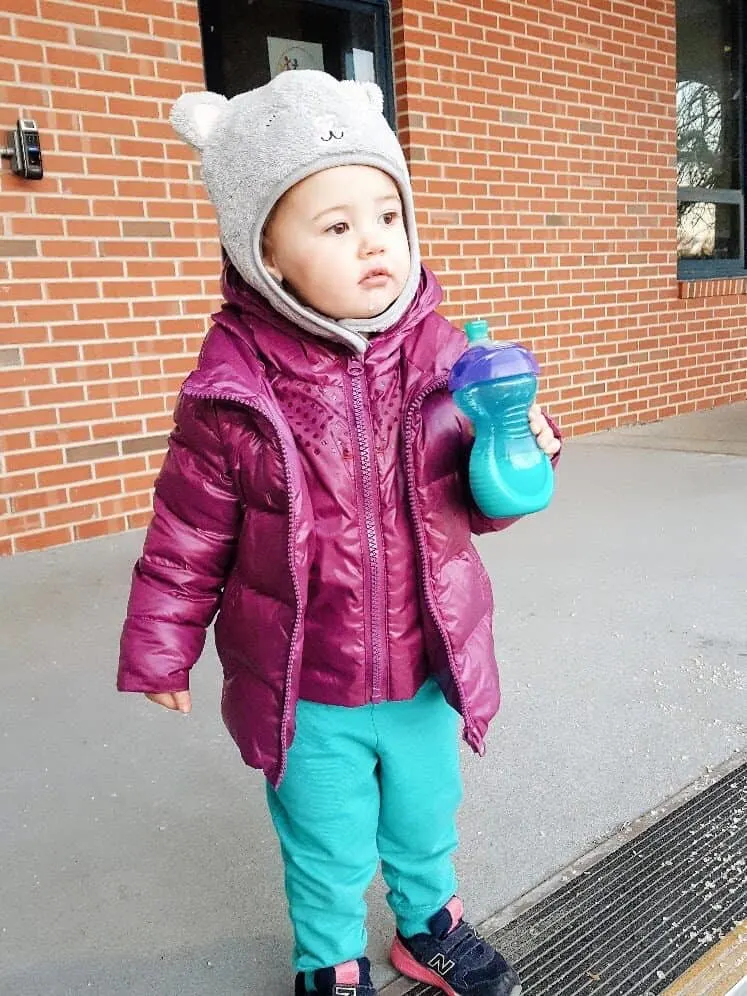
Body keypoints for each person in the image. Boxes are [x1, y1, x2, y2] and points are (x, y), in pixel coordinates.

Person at [118, 70, 560, 996]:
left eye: (387, 216)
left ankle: (427, 924)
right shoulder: (230, 391)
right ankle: (329, 960)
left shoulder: (445, 360)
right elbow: (187, 531)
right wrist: (161, 649)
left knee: (425, 813)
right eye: (335, 226)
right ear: (265, 253)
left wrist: (515, 455)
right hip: (303, 681)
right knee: (323, 835)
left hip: (423, 661)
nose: (374, 244)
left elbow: (472, 505)